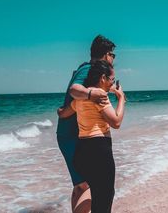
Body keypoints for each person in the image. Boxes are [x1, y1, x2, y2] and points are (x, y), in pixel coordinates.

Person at [57, 35, 117, 212]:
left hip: (69, 133)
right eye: (113, 55)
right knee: (85, 186)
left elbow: (68, 106)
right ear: (106, 54)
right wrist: (92, 95)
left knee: (81, 185)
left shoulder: (83, 69)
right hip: (73, 135)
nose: (113, 59)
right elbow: (74, 90)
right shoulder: (88, 69)